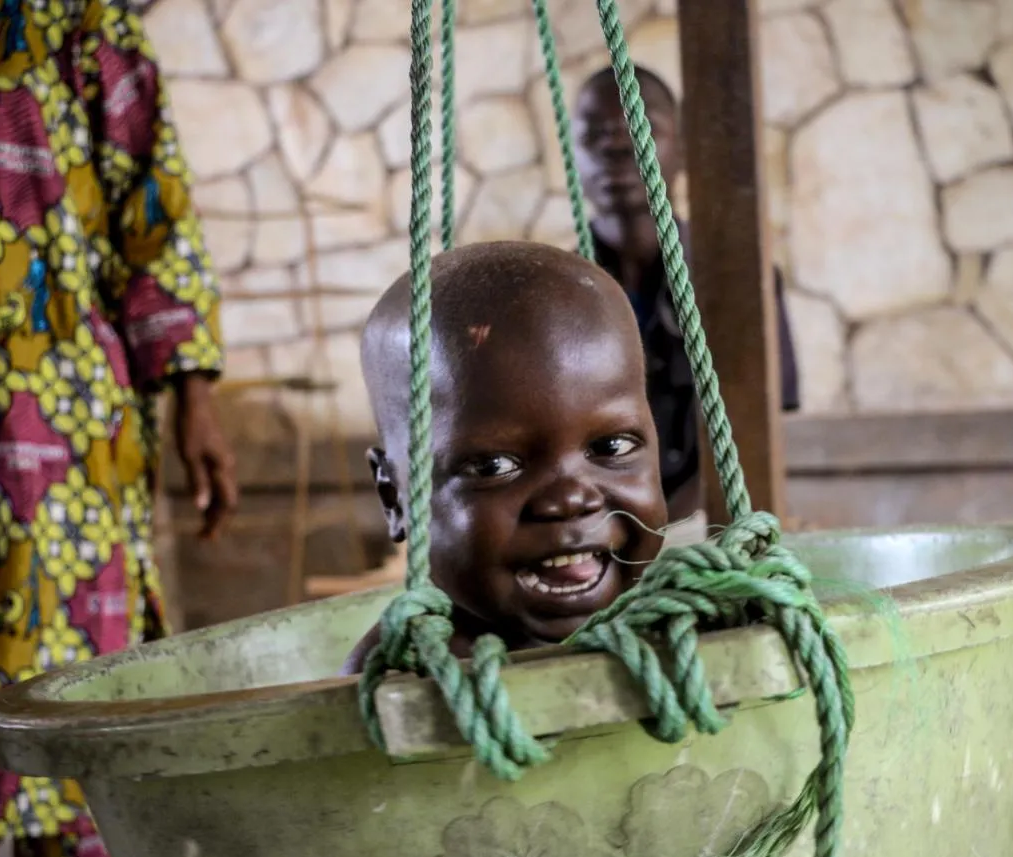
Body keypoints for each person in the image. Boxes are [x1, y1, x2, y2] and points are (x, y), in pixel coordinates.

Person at [0, 1, 237, 857]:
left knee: (75, 695)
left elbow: (152, 207)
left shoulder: (76, 20)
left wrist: (195, 399)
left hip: (48, 423)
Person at [343, 241, 668, 673]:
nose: (570, 499)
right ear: (394, 498)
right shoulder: (404, 673)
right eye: (493, 467)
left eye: (612, 447)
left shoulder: (678, 621)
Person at [572, 65, 801, 524]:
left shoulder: (740, 280)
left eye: (641, 126)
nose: (616, 146)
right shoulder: (557, 294)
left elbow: (756, 430)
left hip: (710, 524)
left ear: (681, 147)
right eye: (593, 134)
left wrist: (666, 531)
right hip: (596, 527)